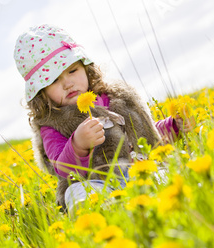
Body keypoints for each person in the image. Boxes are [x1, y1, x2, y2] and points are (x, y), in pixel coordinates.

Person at [13, 24, 191, 213]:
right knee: (76, 191)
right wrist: (78, 145)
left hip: (140, 170)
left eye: (72, 71)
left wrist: (175, 126)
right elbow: (62, 168)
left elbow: (144, 135)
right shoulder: (52, 125)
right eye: (54, 80)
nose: (67, 83)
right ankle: (99, 210)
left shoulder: (114, 98)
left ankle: (169, 191)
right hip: (99, 184)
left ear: (85, 67)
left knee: (170, 169)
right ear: (41, 92)